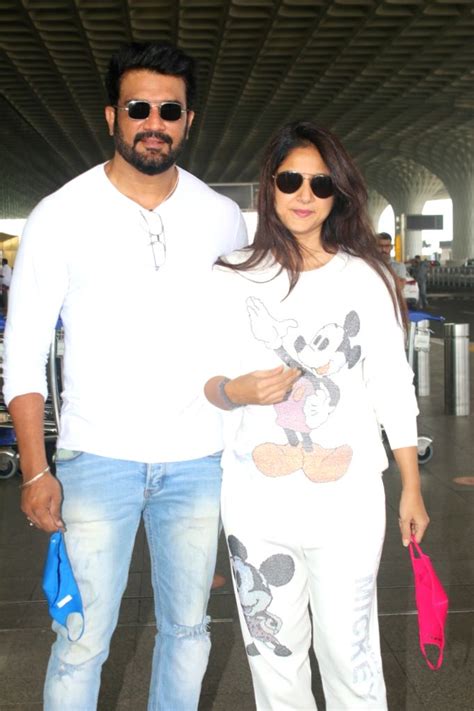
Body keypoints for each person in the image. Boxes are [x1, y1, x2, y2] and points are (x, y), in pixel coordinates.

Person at [3, 41, 247, 711]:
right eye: (139, 107)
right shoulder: (60, 214)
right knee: (81, 639)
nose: (154, 122)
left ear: (188, 120)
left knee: (190, 633)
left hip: (198, 461)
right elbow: (22, 354)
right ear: (112, 114)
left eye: (169, 109)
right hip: (95, 458)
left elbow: (240, 343)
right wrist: (34, 468)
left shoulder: (221, 218)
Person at [204, 121, 429, 710]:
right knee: (274, 666)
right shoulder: (230, 276)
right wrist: (238, 390)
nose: (304, 194)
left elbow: (392, 384)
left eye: (320, 183)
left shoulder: (366, 278)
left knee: (352, 660)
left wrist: (411, 486)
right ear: (269, 187)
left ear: (339, 192)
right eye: (290, 179)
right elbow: (205, 385)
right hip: (256, 504)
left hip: (347, 503)